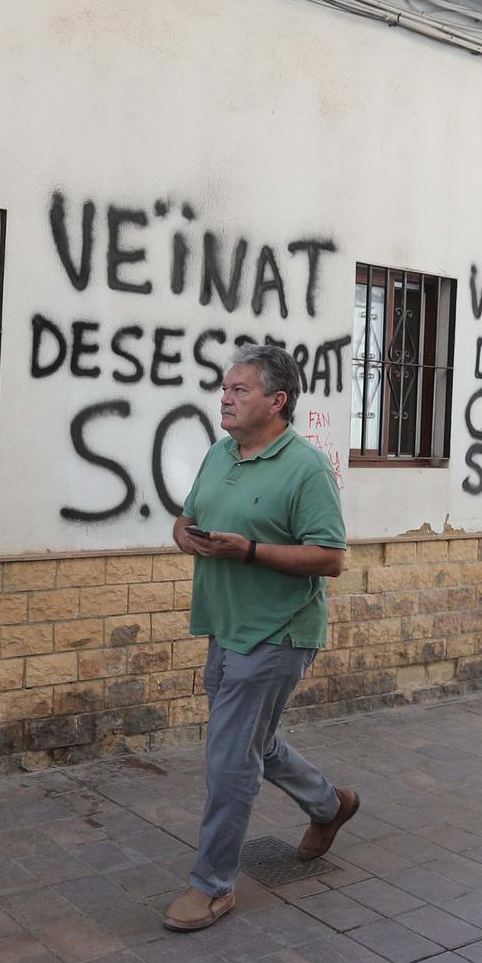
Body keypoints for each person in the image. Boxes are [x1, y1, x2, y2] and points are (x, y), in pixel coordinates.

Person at [161, 344, 360, 933]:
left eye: (240, 390)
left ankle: (212, 886)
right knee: (252, 741)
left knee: (229, 758)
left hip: (278, 633)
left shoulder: (306, 468)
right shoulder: (221, 453)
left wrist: (247, 550)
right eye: (225, 388)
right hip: (225, 624)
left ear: (277, 401)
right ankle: (331, 804)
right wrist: (186, 536)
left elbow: (331, 558)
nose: (225, 398)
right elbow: (186, 516)